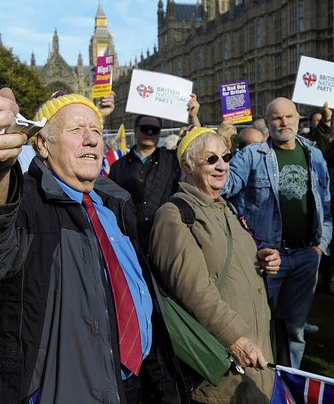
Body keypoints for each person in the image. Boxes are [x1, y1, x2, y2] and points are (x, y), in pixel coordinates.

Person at [0, 89, 153, 403]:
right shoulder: (26, 204)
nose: (92, 139)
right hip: (60, 390)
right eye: (76, 130)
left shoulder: (115, 204)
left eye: (95, 130)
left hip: (131, 382)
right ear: (42, 144)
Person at [150, 126, 279, 402]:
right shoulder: (174, 215)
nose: (222, 165)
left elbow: (227, 263)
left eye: (225, 156)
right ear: (188, 164)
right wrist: (235, 340)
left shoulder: (227, 207)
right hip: (220, 366)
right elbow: (195, 291)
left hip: (255, 359)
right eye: (211, 159)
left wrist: (263, 259)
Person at [222, 97, 333, 368]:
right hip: (266, 259)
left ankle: (290, 379)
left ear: (298, 119)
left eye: (289, 117)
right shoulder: (251, 155)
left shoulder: (314, 154)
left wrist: (320, 245)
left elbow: (327, 205)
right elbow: (222, 188)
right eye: (276, 118)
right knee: (259, 326)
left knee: (295, 330)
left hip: (306, 256)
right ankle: (264, 380)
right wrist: (218, 143)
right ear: (268, 122)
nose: (283, 122)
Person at [108, 93, 198, 255]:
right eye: (145, 128)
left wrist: (194, 117)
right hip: (129, 242)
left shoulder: (172, 160)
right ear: (135, 131)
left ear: (159, 133)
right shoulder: (118, 167)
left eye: (154, 130)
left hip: (165, 239)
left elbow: (198, 150)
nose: (149, 132)